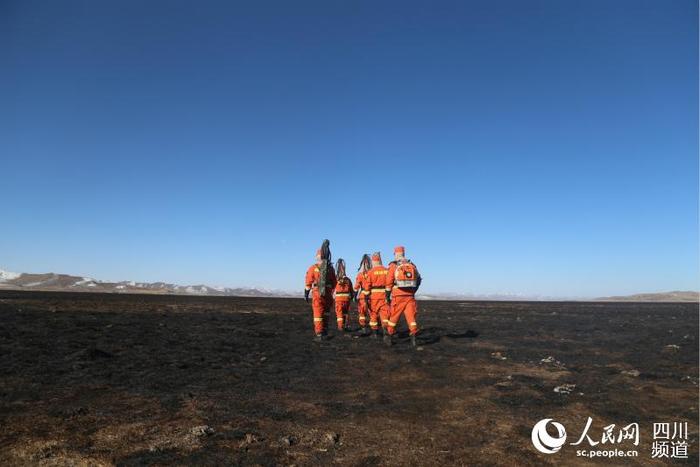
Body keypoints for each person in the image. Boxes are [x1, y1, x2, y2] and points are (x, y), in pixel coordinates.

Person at [385, 245, 422, 347]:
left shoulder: (394, 266)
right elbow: (418, 280)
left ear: (395, 254)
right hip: (410, 296)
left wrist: (387, 295)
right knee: (411, 318)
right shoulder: (412, 265)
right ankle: (414, 337)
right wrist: (413, 291)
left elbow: (388, 282)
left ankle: (389, 337)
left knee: (394, 317)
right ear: (404, 254)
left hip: (398, 295)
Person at [304, 240, 337, 341]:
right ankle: (325, 331)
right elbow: (334, 283)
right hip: (328, 293)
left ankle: (319, 334)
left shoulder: (313, 268)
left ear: (317, 257)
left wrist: (306, 293)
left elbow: (308, 282)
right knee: (326, 311)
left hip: (318, 293)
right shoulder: (330, 269)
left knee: (318, 312)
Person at [366, 251, 390, 338]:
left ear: (373, 261)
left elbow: (367, 286)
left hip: (374, 297)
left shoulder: (371, 272)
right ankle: (386, 332)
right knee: (385, 314)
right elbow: (391, 283)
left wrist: (366, 296)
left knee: (373, 314)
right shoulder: (387, 271)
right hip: (385, 296)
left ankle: (375, 333)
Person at [333, 259, 353, 331]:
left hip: (339, 299)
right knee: (346, 313)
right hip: (347, 299)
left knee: (339, 313)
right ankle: (345, 326)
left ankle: (340, 327)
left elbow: (332, 288)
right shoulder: (348, 280)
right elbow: (351, 290)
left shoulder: (336, 279)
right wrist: (352, 297)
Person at [354, 254, 372, 333]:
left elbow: (357, 286)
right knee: (373, 312)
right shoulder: (372, 273)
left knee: (362, 312)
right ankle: (375, 328)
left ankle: (363, 328)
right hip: (372, 295)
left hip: (363, 296)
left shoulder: (360, 275)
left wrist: (354, 296)